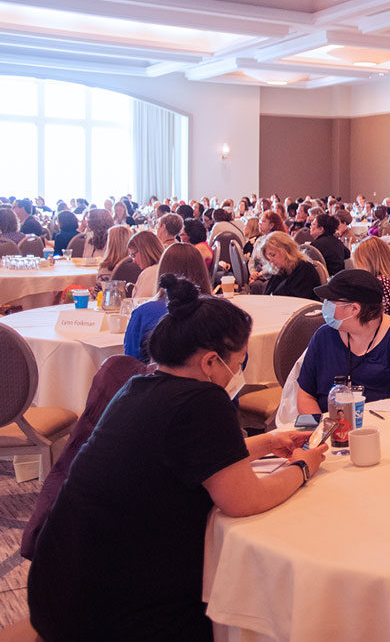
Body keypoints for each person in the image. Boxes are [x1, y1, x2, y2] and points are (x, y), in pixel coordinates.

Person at [29, 274, 328, 640]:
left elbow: (190, 460)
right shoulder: (203, 402)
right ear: (211, 362)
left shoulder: (139, 386)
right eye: (240, 361)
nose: (240, 371)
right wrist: (303, 466)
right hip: (115, 613)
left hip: (58, 586)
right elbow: (244, 500)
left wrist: (268, 443)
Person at [297, 270, 390, 413]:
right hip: (330, 428)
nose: (325, 305)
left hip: (384, 427)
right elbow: (305, 395)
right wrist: (318, 431)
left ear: (354, 308)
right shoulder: (324, 336)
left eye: (330, 301)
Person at [124, 243, 211, 362]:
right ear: (203, 271)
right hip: (211, 379)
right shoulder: (220, 311)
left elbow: (131, 361)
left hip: (155, 378)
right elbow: (237, 359)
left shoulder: (143, 313)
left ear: (162, 271)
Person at [256, 231, 321, 300]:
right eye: (268, 257)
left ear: (287, 250)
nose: (271, 260)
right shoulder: (281, 270)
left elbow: (295, 302)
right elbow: (267, 295)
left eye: (273, 255)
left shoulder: (305, 270)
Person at [129, 231, 166, 299]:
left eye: (133, 255)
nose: (133, 261)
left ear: (144, 251)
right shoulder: (167, 268)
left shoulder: (149, 273)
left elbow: (139, 305)